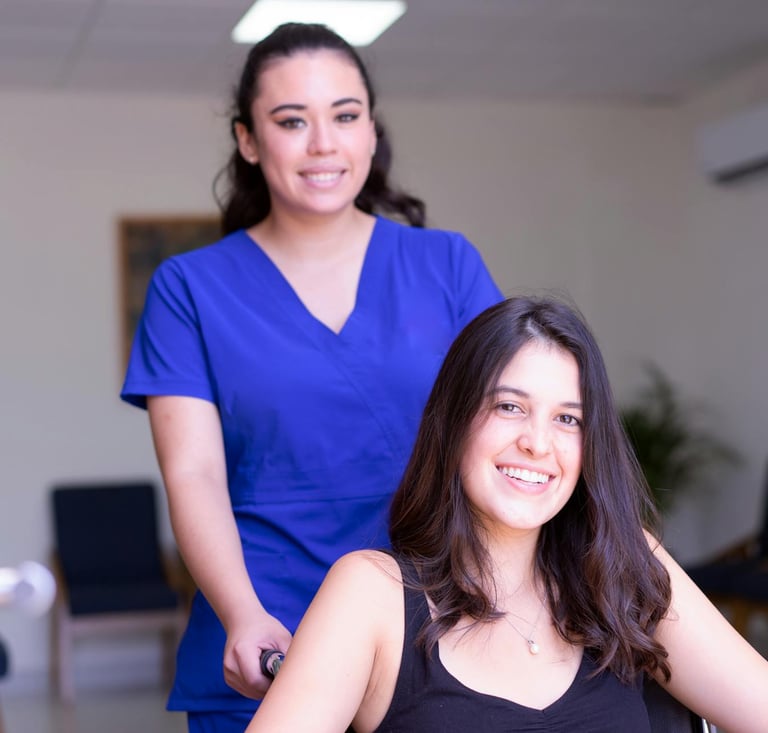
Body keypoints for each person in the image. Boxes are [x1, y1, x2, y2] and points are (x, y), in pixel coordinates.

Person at [120, 21, 502, 733]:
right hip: (267, 641)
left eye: (346, 116)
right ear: (248, 140)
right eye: (291, 120)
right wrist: (241, 612)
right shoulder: (189, 289)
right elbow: (193, 474)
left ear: (370, 131)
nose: (324, 143)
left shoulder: (447, 266)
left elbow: (507, 438)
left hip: (437, 631)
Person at [245, 296, 768, 733]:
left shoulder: (628, 566)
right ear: (453, 423)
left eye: (568, 419)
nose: (537, 443)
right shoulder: (372, 593)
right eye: (509, 407)